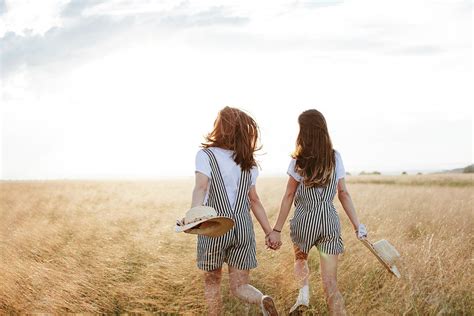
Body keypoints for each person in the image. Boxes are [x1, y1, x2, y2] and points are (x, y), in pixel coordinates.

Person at [266, 109, 367, 316]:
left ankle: (303, 292)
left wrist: (276, 230)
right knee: (331, 285)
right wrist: (358, 226)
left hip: (304, 221)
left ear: (303, 131)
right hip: (329, 222)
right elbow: (343, 194)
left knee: (300, 258)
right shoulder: (335, 157)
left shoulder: (298, 160)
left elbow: (288, 195)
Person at [189, 106, 278, 316]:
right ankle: (262, 299)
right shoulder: (248, 163)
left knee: (212, 284)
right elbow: (254, 200)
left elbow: (201, 188)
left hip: (215, 227)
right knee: (240, 287)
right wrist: (269, 232)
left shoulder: (206, 155)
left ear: (219, 127)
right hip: (243, 228)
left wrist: (193, 218)